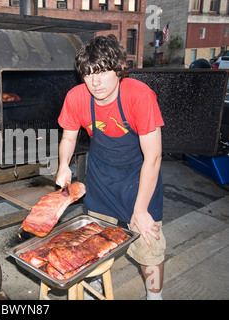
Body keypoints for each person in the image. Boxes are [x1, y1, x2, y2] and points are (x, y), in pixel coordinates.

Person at [56, 35, 165, 300]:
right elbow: (69, 137)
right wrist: (63, 166)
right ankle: (100, 290)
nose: (95, 82)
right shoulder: (76, 97)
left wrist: (140, 210)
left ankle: (155, 296)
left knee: (149, 244)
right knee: (93, 244)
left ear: (118, 70)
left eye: (103, 72)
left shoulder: (139, 96)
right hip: (101, 178)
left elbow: (153, 157)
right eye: (88, 74)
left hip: (139, 178)